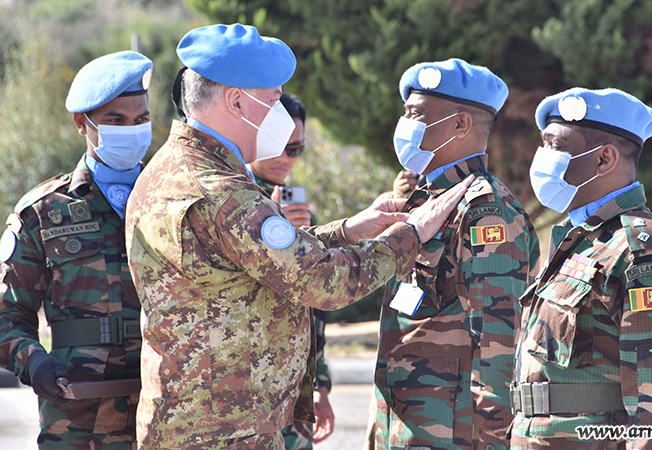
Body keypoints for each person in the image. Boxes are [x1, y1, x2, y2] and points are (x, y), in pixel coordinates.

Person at [125, 23, 472, 450]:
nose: (281, 116)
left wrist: (348, 230)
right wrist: (411, 234)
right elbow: (323, 282)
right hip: (225, 431)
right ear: (237, 101)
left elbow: (256, 257)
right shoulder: (221, 191)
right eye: (273, 102)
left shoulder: (175, 166)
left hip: (199, 421)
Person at [510, 87, 652, 449]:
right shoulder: (580, 240)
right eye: (543, 144)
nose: (542, 157)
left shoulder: (643, 250)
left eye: (556, 145)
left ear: (604, 159)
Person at [371, 58, 540, 450]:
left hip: (454, 432)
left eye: (415, 115)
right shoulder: (425, 203)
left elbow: (498, 336)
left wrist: (495, 437)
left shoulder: (486, 212)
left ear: (461, 124)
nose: (405, 125)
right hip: (405, 423)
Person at [0, 51, 153, 449]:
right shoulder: (44, 212)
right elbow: (6, 314)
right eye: (115, 121)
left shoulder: (172, 200)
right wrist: (32, 360)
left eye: (140, 120)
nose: (131, 131)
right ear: (81, 124)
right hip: (78, 419)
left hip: (166, 411)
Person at [248, 94, 335, 448]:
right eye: (277, 148)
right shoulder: (234, 203)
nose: (285, 160)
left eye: (295, 149)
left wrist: (321, 385)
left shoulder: (300, 211)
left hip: (294, 392)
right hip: (247, 393)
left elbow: (312, 310)